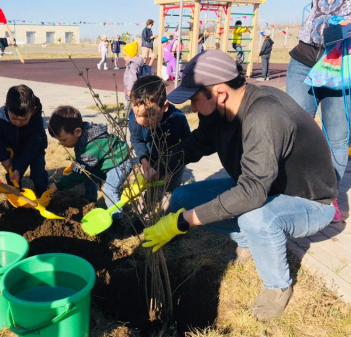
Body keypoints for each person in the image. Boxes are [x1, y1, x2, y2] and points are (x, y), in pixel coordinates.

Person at [143, 50, 337, 321]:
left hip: (309, 201)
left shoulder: (265, 114)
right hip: (264, 188)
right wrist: (159, 165)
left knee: (254, 217)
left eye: (195, 100)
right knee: (184, 197)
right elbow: (198, 143)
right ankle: (250, 242)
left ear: (219, 92)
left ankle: (277, 285)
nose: (193, 108)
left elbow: (252, 192)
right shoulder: (218, 112)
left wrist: (184, 222)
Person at [286, 0, 351, 222]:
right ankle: (293, 190)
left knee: (337, 136)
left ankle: (328, 196)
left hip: (344, 63)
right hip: (305, 58)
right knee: (292, 129)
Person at [46, 105, 132, 219]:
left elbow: (78, 175)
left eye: (64, 140)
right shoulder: (83, 136)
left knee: (109, 190)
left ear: (77, 132)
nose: (62, 144)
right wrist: (78, 162)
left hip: (119, 162)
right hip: (106, 160)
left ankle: (117, 218)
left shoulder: (92, 145)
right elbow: (82, 158)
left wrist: (58, 185)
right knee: (88, 174)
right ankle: (90, 201)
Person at [128, 75, 191, 213]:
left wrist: (170, 168)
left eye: (149, 114)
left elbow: (188, 145)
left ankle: (167, 217)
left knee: (170, 191)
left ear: (165, 106)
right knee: (147, 187)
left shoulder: (177, 119)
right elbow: (137, 140)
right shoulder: (134, 119)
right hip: (151, 160)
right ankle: (143, 216)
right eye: (137, 114)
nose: (141, 120)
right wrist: (144, 159)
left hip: (174, 162)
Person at [0, 84, 48, 197]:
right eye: (14, 118)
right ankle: (15, 198)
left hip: (35, 149)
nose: (18, 122)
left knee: (38, 173)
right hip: (12, 149)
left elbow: (31, 148)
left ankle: (42, 195)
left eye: (24, 119)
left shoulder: (36, 122)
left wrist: (20, 169)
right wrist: (3, 157)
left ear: (33, 110)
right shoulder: (1, 119)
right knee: (12, 175)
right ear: (7, 108)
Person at [123, 41, 144, 114]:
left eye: (125, 55)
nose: (124, 57)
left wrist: (129, 90)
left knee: (129, 107)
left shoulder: (133, 65)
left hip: (131, 91)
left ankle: (127, 120)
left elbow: (132, 78)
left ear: (131, 56)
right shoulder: (134, 63)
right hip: (135, 91)